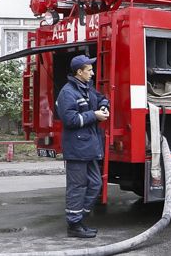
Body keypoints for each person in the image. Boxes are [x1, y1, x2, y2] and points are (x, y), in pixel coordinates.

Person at [56, 55, 110, 238]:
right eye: (89, 70)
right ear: (79, 72)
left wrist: (103, 107)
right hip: (77, 149)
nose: (92, 73)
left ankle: (80, 218)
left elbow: (101, 97)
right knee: (77, 187)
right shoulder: (67, 93)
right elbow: (70, 120)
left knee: (95, 184)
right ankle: (74, 225)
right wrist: (94, 115)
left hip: (89, 148)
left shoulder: (87, 89)